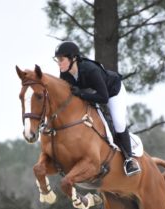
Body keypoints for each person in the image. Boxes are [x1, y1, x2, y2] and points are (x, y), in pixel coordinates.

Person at [53, 41, 140, 176]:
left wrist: (81, 94)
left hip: (112, 92)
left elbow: (104, 98)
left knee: (118, 123)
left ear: (73, 58)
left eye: (61, 59)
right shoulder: (65, 73)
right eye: (57, 60)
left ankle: (129, 160)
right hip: (93, 94)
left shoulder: (90, 70)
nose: (59, 63)